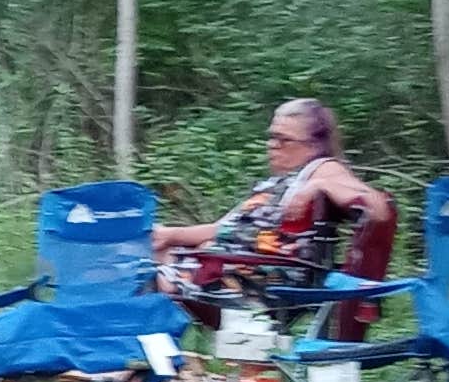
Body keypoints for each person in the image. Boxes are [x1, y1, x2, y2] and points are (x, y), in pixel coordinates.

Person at [155, 96, 391, 301]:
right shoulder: (277, 183)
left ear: (313, 145)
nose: (272, 146)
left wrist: (319, 185)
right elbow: (224, 228)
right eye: (271, 137)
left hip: (262, 277)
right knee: (146, 243)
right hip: (225, 260)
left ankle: (147, 340)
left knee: (138, 268)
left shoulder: (322, 168)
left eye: (283, 140)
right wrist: (171, 234)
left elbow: (378, 208)